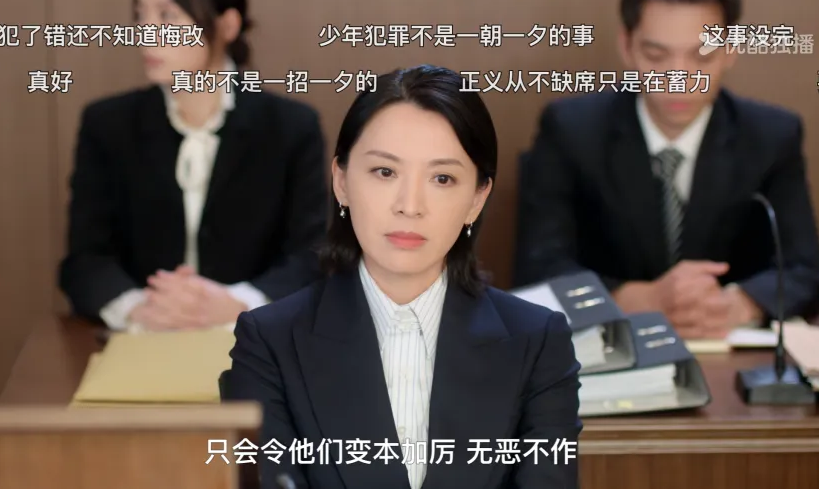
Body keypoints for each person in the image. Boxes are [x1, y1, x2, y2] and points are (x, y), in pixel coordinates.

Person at [225, 65, 582, 489]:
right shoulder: (268, 342)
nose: (409, 205)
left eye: (442, 178)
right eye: (385, 172)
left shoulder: (537, 341)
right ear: (341, 181)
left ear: (476, 198)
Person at [514, 0, 819, 339]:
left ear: (730, 49)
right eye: (656, 55)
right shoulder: (570, 130)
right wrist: (638, 299)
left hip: (726, 352)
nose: (679, 77)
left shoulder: (771, 136)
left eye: (702, 56)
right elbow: (536, 269)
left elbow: (806, 271)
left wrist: (736, 304)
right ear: (627, 46)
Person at [59, 0, 328, 331]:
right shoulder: (107, 125)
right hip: (143, 337)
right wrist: (140, 307)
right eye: (141, 16)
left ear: (227, 25)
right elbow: (84, 261)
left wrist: (240, 303)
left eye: (167, 16)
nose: (146, 33)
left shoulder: (291, 127)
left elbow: (310, 257)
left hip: (253, 337)